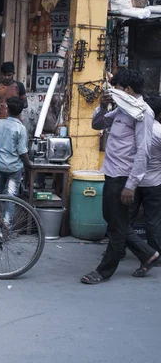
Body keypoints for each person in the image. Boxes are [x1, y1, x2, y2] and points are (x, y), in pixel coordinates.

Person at [81, 69, 159, 284]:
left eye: (117, 88)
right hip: (111, 173)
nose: (113, 91)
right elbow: (97, 124)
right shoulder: (123, 110)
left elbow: (143, 151)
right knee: (113, 219)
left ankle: (104, 271)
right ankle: (147, 253)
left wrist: (131, 185)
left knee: (116, 227)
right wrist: (104, 104)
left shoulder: (143, 113)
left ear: (128, 90)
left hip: (124, 177)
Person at [0, 97, 33, 223]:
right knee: (11, 197)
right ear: (20, 112)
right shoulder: (20, 128)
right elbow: (22, 152)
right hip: (14, 168)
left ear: (7, 109)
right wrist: (29, 164)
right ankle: (6, 226)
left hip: (0, 165)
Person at [129, 96, 161, 254]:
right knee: (152, 221)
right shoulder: (159, 131)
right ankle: (155, 253)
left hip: (132, 182)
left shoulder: (134, 127)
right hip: (153, 183)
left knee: (126, 218)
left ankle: (118, 250)